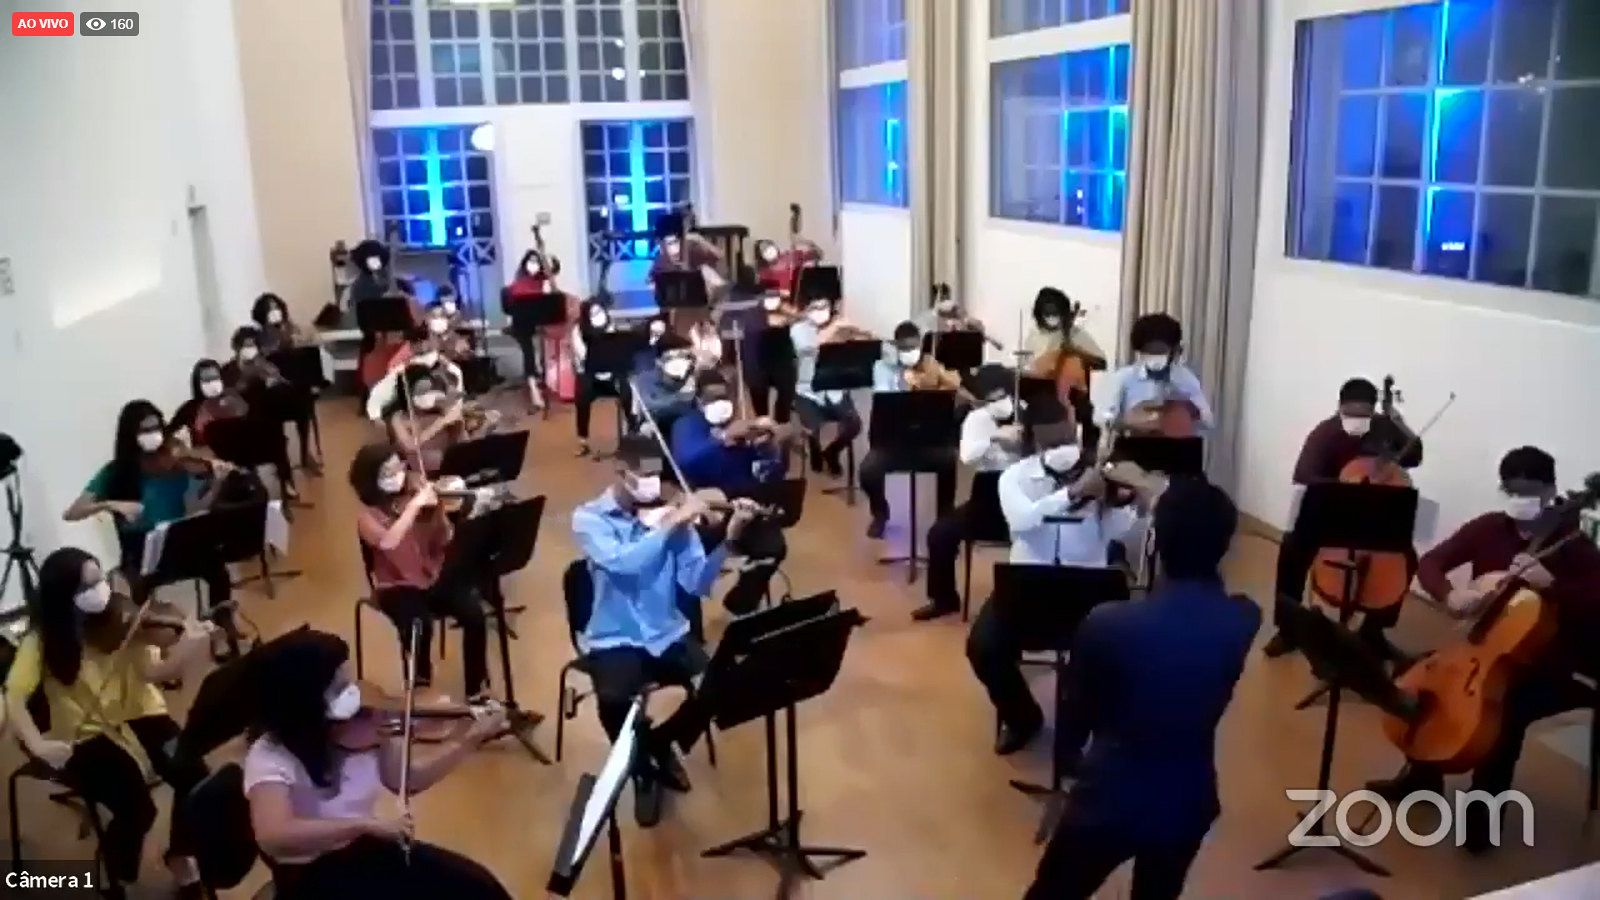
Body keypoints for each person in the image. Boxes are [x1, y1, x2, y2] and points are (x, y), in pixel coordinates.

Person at [1024, 478, 1260, 900]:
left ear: (1157, 541)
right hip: (1187, 801)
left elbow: (1075, 723)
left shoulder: (1108, 622)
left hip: (1108, 800)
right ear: (1225, 545)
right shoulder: (1244, 618)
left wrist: (1071, 769)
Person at [1364, 446, 1600, 853]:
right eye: (1511, 491)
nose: (1519, 500)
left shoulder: (1574, 545)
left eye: (1529, 492)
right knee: (1417, 681)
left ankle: (1483, 819)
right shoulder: (1489, 527)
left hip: (1549, 662)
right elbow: (1432, 562)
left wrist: (1554, 586)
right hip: (1484, 649)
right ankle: (1422, 777)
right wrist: (1450, 594)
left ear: (1550, 491)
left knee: (1503, 715)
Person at [242, 628, 512, 899]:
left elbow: (406, 780)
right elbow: (274, 835)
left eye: (348, 680)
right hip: (311, 874)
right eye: (338, 686)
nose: (353, 694)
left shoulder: (368, 725)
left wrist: (467, 740)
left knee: (478, 887)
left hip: (361, 850)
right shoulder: (269, 756)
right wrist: (362, 824)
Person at [4, 547, 215, 895]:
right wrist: (38, 744)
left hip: (140, 711)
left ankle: (181, 854)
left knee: (195, 777)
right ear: (64, 596)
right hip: (86, 733)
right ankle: (115, 872)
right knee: (138, 808)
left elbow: (154, 672)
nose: (101, 590)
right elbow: (14, 696)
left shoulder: (121, 617)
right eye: (88, 586)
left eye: (101, 578)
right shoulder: (42, 640)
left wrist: (187, 652)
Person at [570, 444, 757, 827]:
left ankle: (658, 744)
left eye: (658, 475)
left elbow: (697, 583)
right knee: (612, 701)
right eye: (644, 475)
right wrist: (671, 524)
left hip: (666, 631)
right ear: (621, 470)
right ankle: (642, 771)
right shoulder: (589, 518)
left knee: (720, 684)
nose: (654, 484)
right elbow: (625, 563)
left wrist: (729, 541)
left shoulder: (674, 519)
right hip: (614, 636)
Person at [966, 400, 1149, 753]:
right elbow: (1023, 521)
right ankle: (1023, 718)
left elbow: (1116, 531)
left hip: (1087, 588)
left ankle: (1080, 738)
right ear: (1035, 440)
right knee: (983, 647)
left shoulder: (1101, 473)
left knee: (1101, 657)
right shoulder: (1014, 477)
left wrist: (1129, 502)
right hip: (1026, 586)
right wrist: (1072, 493)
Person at [63, 400, 242, 656]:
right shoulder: (116, 472)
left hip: (177, 543)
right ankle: (155, 647)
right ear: (131, 435)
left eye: (157, 428)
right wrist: (110, 504)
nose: (154, 435)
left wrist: (217, 483)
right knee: (140, 586)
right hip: (140, 553)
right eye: (145, 430)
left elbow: (196, 508)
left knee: (217, 569)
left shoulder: (175, 464)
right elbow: (72, 512)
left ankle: (221, 630)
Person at [1262, 377, 1423, 658]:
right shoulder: (1325, 433)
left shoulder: (1384, 427)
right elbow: (1304, 474)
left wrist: (1398, 421)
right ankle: (1288, 629)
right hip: (1331, 510)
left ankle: (1373, 632)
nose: (1357, 421)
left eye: (1364, 415)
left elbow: (1414, 456)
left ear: (1373, 411)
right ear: (1339, 407)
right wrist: (1346, 484)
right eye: (1350, 414)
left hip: (1374, 517)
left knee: (1407, 558)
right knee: (1292, 548)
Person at [349, 442, 490, 702]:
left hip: (431, 575)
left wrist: (439, 511)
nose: (398, 475)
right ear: (370, 479)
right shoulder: (367, 517)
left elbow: (445, 539)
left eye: (399, 468)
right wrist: (415, 506)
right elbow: (388, 542)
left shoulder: (416, 496)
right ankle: (421, 686)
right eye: (388, 473)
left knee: (473, 612)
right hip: (395, 586)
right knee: (419, 622)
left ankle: (476, 689)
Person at [670, 370, 791, 614]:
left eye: (724, 397)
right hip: (707, 509)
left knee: (774, 548)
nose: (720, 403)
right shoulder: (686, 425)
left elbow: (771, 474)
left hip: (745, 506)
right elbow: (687, 461)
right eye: (712, 398)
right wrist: (723, 438)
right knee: (686, 559)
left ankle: (741, 604)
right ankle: (689, 621)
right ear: (699, 400)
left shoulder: (745, 425)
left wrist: (772, 450)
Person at [918, 365, 1024, 621]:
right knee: (939, 534)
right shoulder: (977, 419)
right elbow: (967, 456)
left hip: (1023, 497)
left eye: (1001, 395)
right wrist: (994, 438)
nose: (996, 401)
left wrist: (1023, 441)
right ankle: (944, 599)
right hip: (987, 500)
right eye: (990, 397)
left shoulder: (1027, 412)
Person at [859, 321, 966, 539]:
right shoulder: (882, 367)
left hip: (927, 440)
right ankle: (880, 513)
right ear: (896, 346)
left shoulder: (930, 364)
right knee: (868, 470)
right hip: (892, 443)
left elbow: (955, 384)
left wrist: (936, 375)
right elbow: (884, 400)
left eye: (915, 347)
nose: (911, 352)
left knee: (948, 460)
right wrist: (907, 382)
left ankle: (944, 520)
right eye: (905, 348)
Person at [182, 355, 299, 501]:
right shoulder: (190, 409)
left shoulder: (233, 397)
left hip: (241, 455)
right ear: (197, 382)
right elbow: (175, 439)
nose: (212, 383)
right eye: (206, 379)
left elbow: (249, 421)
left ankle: (281, 484)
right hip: (210, 462)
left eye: (215, 377)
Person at [1094, 312, 1214, 437]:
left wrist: (1186, 411)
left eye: (1161, 351)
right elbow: (1101, 417)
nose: (1155, 355)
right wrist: (1128, 421)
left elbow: (1208, 421)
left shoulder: (1185, 378)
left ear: (1174, 350)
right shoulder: (1124, 378)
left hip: (1177, 445)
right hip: (1134, 444)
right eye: (1149, 351)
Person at [790, 295, 866, 478]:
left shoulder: (839, 328)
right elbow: (810, 347)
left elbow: (862, 344)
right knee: (812, 426)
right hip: (808, 392)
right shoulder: (798, 329)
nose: (820, 311)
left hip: (835, 390)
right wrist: (834, 328)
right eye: (815, 307)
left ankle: (832, 452)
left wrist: (858, 332)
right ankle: (814, 447)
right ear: (806, 310)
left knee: (854, 425)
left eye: (824, 306)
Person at [249, 293, 322, 473]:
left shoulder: (291, 329)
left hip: (296, 389)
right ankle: (280, 458)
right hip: (273, 393)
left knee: (303, 401)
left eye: (276, 307)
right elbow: (257, 363)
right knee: (273, 407)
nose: (275, 312)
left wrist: (299, 340)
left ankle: (305, 453)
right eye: (269, 309)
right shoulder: (258, 337)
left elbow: (308, 348)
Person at [502, 248, 568, 412]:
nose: (534, 265)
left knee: (545, 349)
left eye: (536, 262)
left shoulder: (541, 279)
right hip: (522, 324)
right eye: (531, 262)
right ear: (525, 264)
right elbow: (511, 305)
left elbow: (555, 270)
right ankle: (533, 390)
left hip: (537, 322)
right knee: (529, 352)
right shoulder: (517, 284)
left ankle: (546, 380)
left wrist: (546, 256)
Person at [571, 298, 638, 457]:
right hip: (590, 374)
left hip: (612, 374)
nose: (598, 315)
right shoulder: (578, 331)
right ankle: (583, 441)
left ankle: (633, 429)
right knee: (582, 396)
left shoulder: (611, 327)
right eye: (593, 312)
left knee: (627, 390)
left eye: (600, 311)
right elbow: (584, 356)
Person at [742, 290, 799, 422]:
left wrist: (789, 313)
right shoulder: (753, 314)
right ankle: (765, 420)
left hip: (779, 360)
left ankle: (779, 421)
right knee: (760, 389)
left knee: (785, 389)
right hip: (759, 360)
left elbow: (798, 318)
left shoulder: (786, 312)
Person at [634, 334, 699, 438]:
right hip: (661, 429)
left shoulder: (693, 374)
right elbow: (650, 404)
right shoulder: (647, 378)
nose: (680, 361)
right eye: (672, 357)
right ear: (659, 361)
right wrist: (679, 397)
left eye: (685, 356)